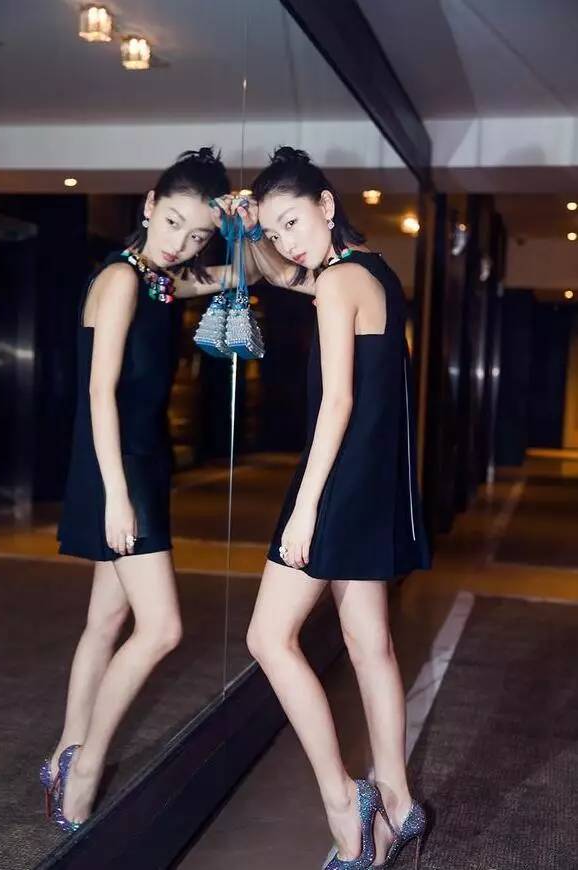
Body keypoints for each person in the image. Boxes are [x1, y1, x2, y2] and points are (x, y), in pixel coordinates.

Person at [236, 146, 431, 869]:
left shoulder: (338, 281)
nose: (285, 241)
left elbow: (338, 402)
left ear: (326, 205)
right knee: (369, 642)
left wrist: (305, 508)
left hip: (339, 479)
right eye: (274, 230)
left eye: (292, 221)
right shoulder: (371, 270)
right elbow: (282, 271)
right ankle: (399, 804)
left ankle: (345, 801)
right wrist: (253, 231)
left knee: (268, 638)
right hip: (373, 478)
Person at [44, 147, 240, 832]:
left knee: (106, 622)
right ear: (150, 205)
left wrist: (241, 227)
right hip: (118, 470)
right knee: (161, 629)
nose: (182, 243)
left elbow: (249, 271)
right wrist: (118, 495)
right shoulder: (123, 280)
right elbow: (98, 393)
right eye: (174, 222)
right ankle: (84, 769)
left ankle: (63, 753)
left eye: (199, 235)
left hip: (140, 465)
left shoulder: (157, 281)